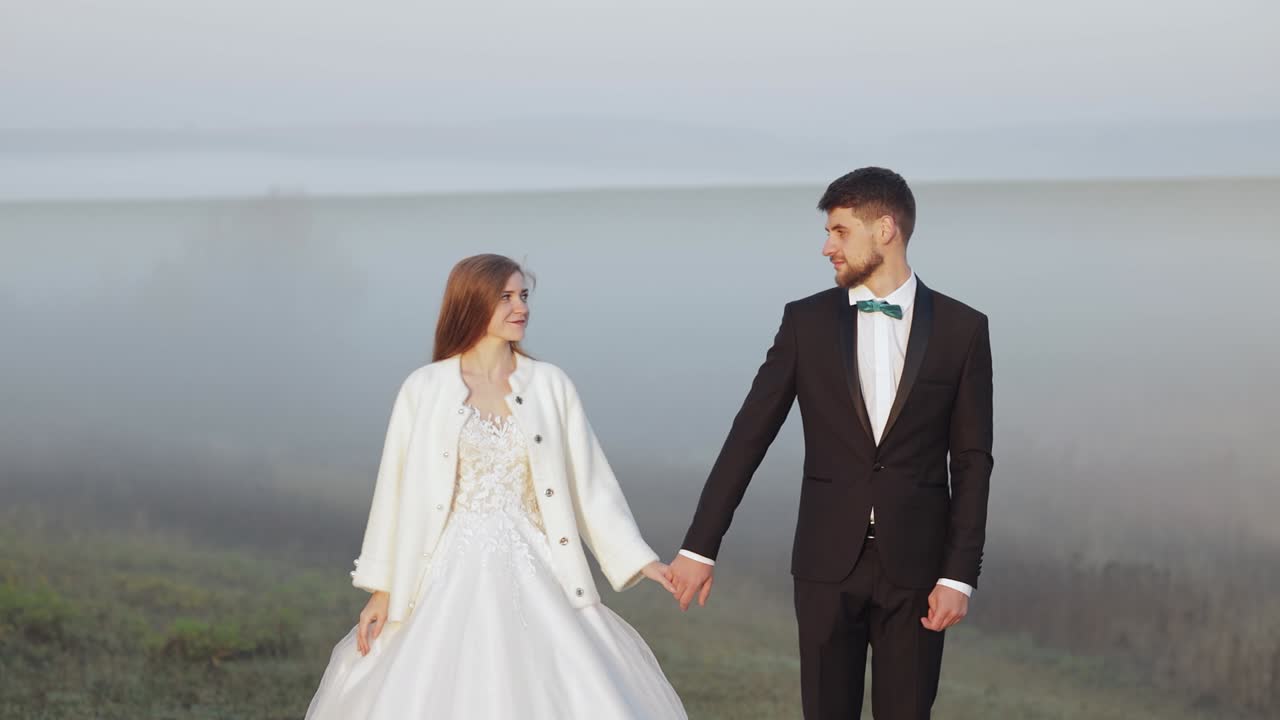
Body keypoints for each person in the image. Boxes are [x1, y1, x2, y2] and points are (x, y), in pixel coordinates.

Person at [668, 167, 994, 720]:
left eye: (840, 231)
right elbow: (749, 435)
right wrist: (701, 547)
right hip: (823, 567)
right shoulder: (805, 322)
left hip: (918, 571)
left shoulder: (964, 329)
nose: (826, 247)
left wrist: (957, 575)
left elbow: (971, 462)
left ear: (885, 229)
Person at [305, 254, 687, 719]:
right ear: (472, 303)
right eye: (505, 297)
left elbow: (588, 480)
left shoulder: (550, 385)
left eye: (523, 296)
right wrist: (383, 588)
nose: (519, 307)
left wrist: (639, 559)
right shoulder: (423, 389)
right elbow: (395, 493)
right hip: (442, 571)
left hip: (536, 564)